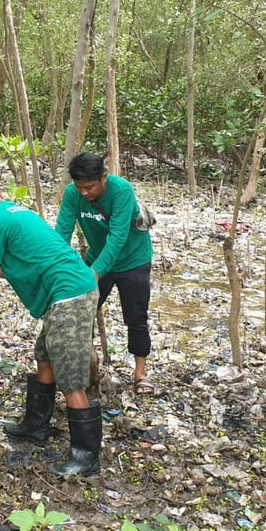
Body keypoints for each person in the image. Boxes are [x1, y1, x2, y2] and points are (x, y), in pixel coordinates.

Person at [0, 177, 103, 477]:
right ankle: (36, 425)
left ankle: (86, 457)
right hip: (70, 288)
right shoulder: (14, 213)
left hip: (69, 293)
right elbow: (6, 266)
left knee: (69, 376)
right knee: (44, 354)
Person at [55, 151, 155, 395]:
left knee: (136, 317)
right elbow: (62, 233)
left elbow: (117, 238)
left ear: (104, 178)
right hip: (97, 257)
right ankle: (86, 367)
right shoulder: (72, 195)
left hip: (133, 260)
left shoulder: (121, 191)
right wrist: (55, 267)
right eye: (80, 187)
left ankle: (140, 372)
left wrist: (95, 275)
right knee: (81, 310)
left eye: (89, 187)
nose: (84, 193)